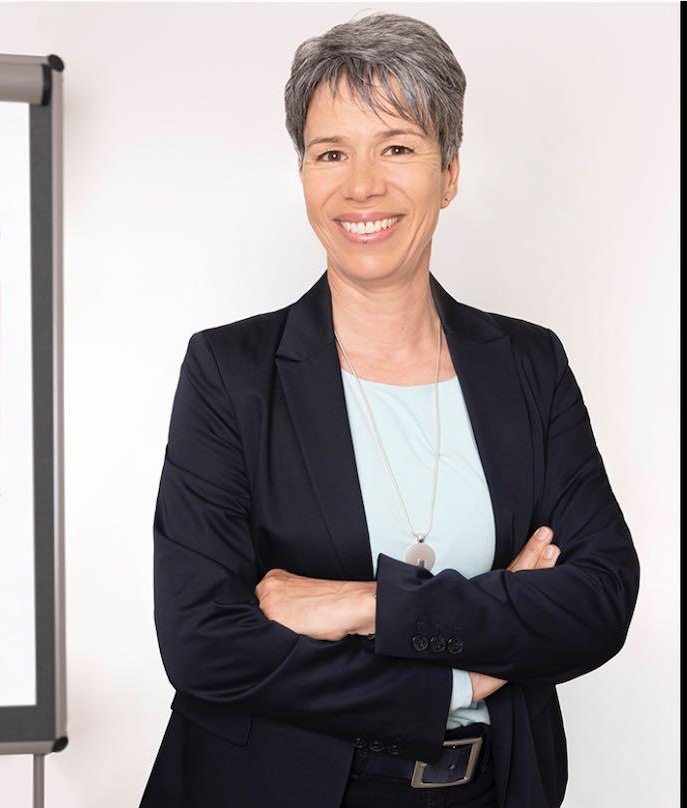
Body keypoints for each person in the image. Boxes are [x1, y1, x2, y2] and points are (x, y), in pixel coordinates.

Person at [139, 12, 640, 808]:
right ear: (303, 172)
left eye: (397, 148)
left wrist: (366, 604)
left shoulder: (528, 365)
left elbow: (597, 600)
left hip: (492, 789)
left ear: (450, 172)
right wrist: (462, 678)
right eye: (331, 152)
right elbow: (205, 644)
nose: (361, 185)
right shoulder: (230, 373)